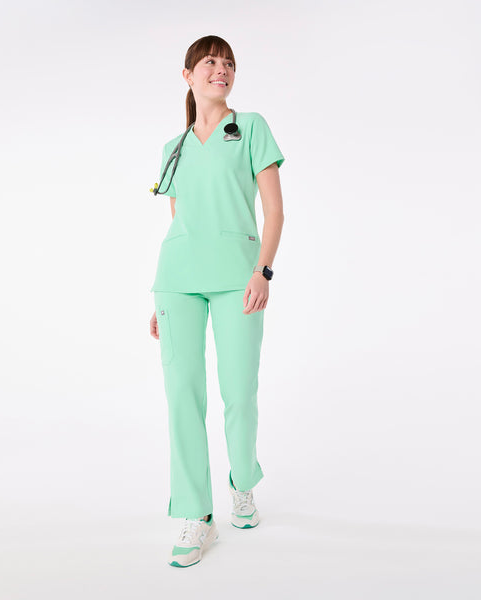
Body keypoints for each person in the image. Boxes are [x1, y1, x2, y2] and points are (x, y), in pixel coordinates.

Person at [148, 35, 285, 568]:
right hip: (176, 282)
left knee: (239, 392)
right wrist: (159, 299)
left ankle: (242, 483)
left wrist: (263, 270)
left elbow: (275, 212)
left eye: (228, 63)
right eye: (209, 62)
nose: (220, 69)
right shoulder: (174, 147)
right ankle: (196, 514)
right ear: (188, 74)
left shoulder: (250, 128)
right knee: (182, 396)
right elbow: (179, 221)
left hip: (238, 278)